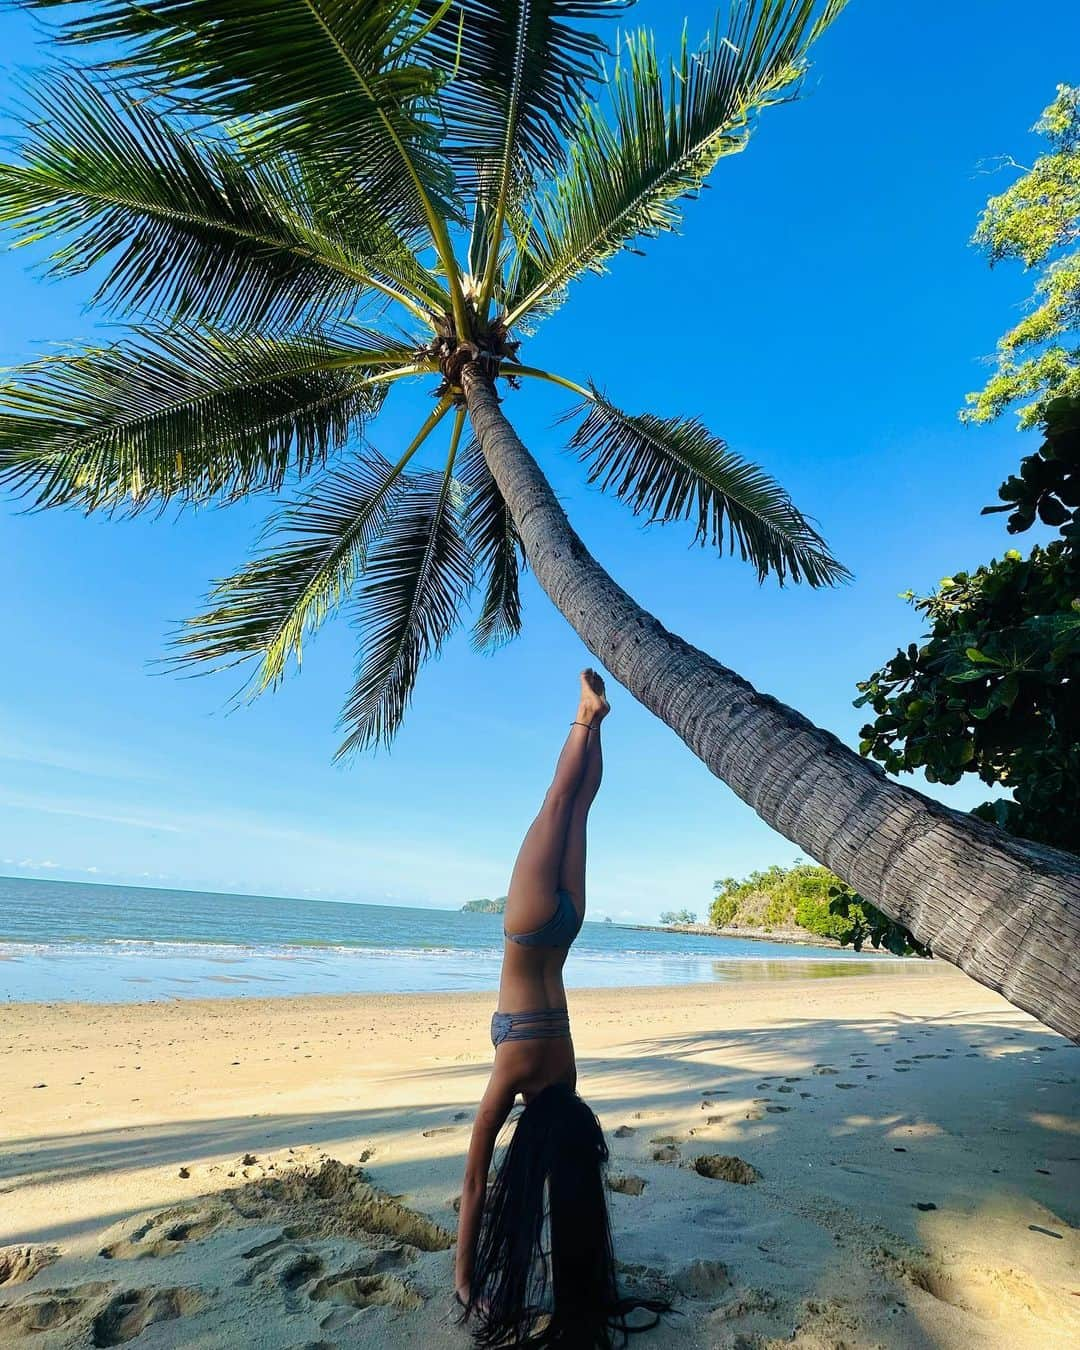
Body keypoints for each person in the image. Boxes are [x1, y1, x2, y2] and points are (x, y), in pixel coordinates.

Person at [454, 670, 666, 1347]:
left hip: (565, 926)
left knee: (574, 811)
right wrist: (464, 1273)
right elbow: (476, 1177)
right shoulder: (512, 1075)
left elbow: (506, 1172)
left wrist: (470, 1281)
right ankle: (585, 718)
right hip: (529, 928)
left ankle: (594, 724)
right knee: (556, 806)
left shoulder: (566, 1080)